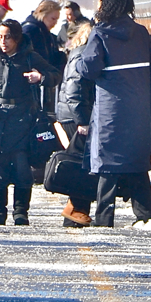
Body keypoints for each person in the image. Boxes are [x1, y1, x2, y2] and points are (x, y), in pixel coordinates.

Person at [75, 0, 151, 227]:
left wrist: (79, 62)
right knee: (137, 162)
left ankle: (105, 218)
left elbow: (90, 69)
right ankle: (146, 215)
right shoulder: (141, 33)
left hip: (110, 108)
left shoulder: (100, 33)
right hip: (138, 107)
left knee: (108, 165)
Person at [0, 18, 59, 225]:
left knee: (22, 167)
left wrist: (40, 77)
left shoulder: (29, 57)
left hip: (22, 117)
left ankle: (21, 211)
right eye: (1, 37)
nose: (4, 41)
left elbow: (55, 75)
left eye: (8, 37)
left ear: (17, 38)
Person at [55, 20, 95, 227]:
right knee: (81, 165)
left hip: (71, 115)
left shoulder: (77, 53)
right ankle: (75, 211)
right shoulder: (82, 55)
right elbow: (74, 91)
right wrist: (83, 120)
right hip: (75, 117)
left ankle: (76, 210)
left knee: (81, 163)